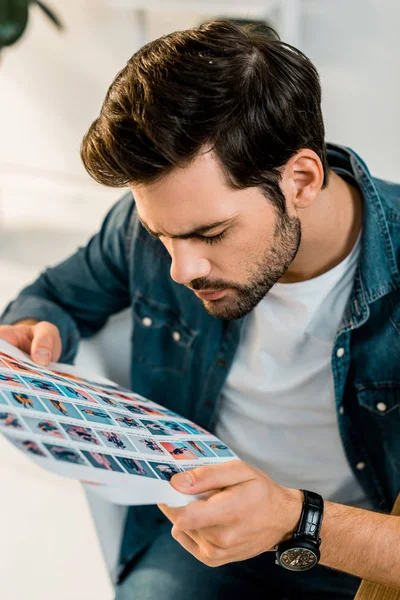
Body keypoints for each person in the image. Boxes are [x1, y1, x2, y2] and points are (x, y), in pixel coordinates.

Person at [0, 19, 399, 600]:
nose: (180, 271)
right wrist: (37, 330)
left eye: (211, 234)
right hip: (196, 533)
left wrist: (294, 520)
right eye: (163, 236)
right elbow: (53, 297)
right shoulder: (145, 231)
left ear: (302, 180)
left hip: (358, 549)